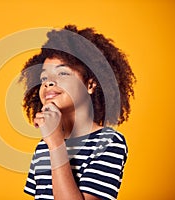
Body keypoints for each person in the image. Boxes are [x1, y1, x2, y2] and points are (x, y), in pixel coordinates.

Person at [19, 25, 136, 200]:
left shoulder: (108, 143)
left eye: (62, 73)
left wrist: (56, 142)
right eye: (44, 77)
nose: (48, 82)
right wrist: (52, 141)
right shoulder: (44, 146)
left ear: (90, 85)